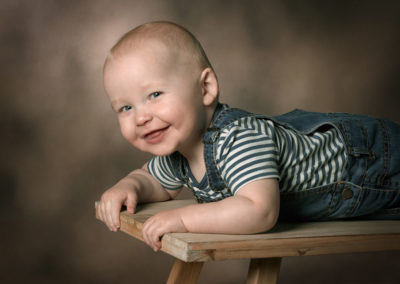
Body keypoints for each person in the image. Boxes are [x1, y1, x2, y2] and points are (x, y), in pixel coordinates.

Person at [96, 21, 400, 251]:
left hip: (374, 164)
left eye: (154, 94)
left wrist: (183, 219)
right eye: (125, 107)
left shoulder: (239, 139)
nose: (141, 116)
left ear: (205, 89)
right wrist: (127, 186)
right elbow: (153, 181)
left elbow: (259, 210)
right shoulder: (179, 151)